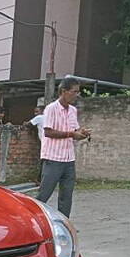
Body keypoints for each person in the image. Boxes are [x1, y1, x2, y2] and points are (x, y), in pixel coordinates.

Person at [36, 77, 91, 217]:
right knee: (44, 195)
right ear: (63, 91)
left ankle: (64, 226)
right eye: (74, 92)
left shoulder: (72, 110)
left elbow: (75, 130)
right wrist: (71, 134)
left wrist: (82, 133)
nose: (76, 95)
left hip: (69, 160)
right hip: (53, 159)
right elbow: (47, 132)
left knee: (66, 197)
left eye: (78, 92)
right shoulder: (51, 109)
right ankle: (35, 223)